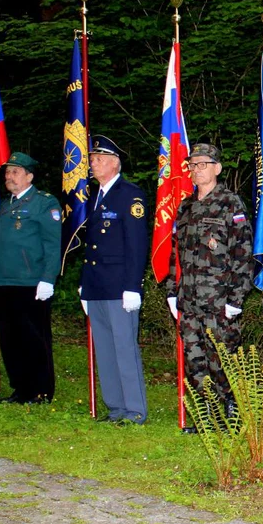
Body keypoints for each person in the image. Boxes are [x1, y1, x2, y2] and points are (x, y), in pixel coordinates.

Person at [164, 143, 254, 428]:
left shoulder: (230, 203)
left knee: (222, 359)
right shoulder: (186, 206)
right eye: (193, 164)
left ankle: (232, 411)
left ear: (217, 168)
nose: (197, 169)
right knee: (195, 360)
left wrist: (236, 298)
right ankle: (206, 417)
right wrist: (171, 289)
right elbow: (175, 252)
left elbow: (243, 253)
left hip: (218, 300)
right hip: (189, 300)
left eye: (203, 164)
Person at [0, 152, 61, 403]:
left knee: (34, 338)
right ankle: (21, 388)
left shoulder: (44, 203)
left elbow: (52, 244)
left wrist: (48, 278)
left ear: (30, 175)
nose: (9, 177)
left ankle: (41, 389)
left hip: (30, 282)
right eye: (7, 173)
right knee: (10, 339)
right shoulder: (3, 206)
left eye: (15, 172)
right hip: (3, 281)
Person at [80, 135, 150, 425]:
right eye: (92, 159)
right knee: (105, 349)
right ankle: (115, 407)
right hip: (97, 284)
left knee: (124, 347)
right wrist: (85, 284)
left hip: (120, 286)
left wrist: (133, 286)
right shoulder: (94, 196)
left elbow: (136, 245)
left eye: (98, 159)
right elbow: (91, 244)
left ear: (114, 162)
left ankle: (134, 409)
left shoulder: (129, 195)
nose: (92, 164)